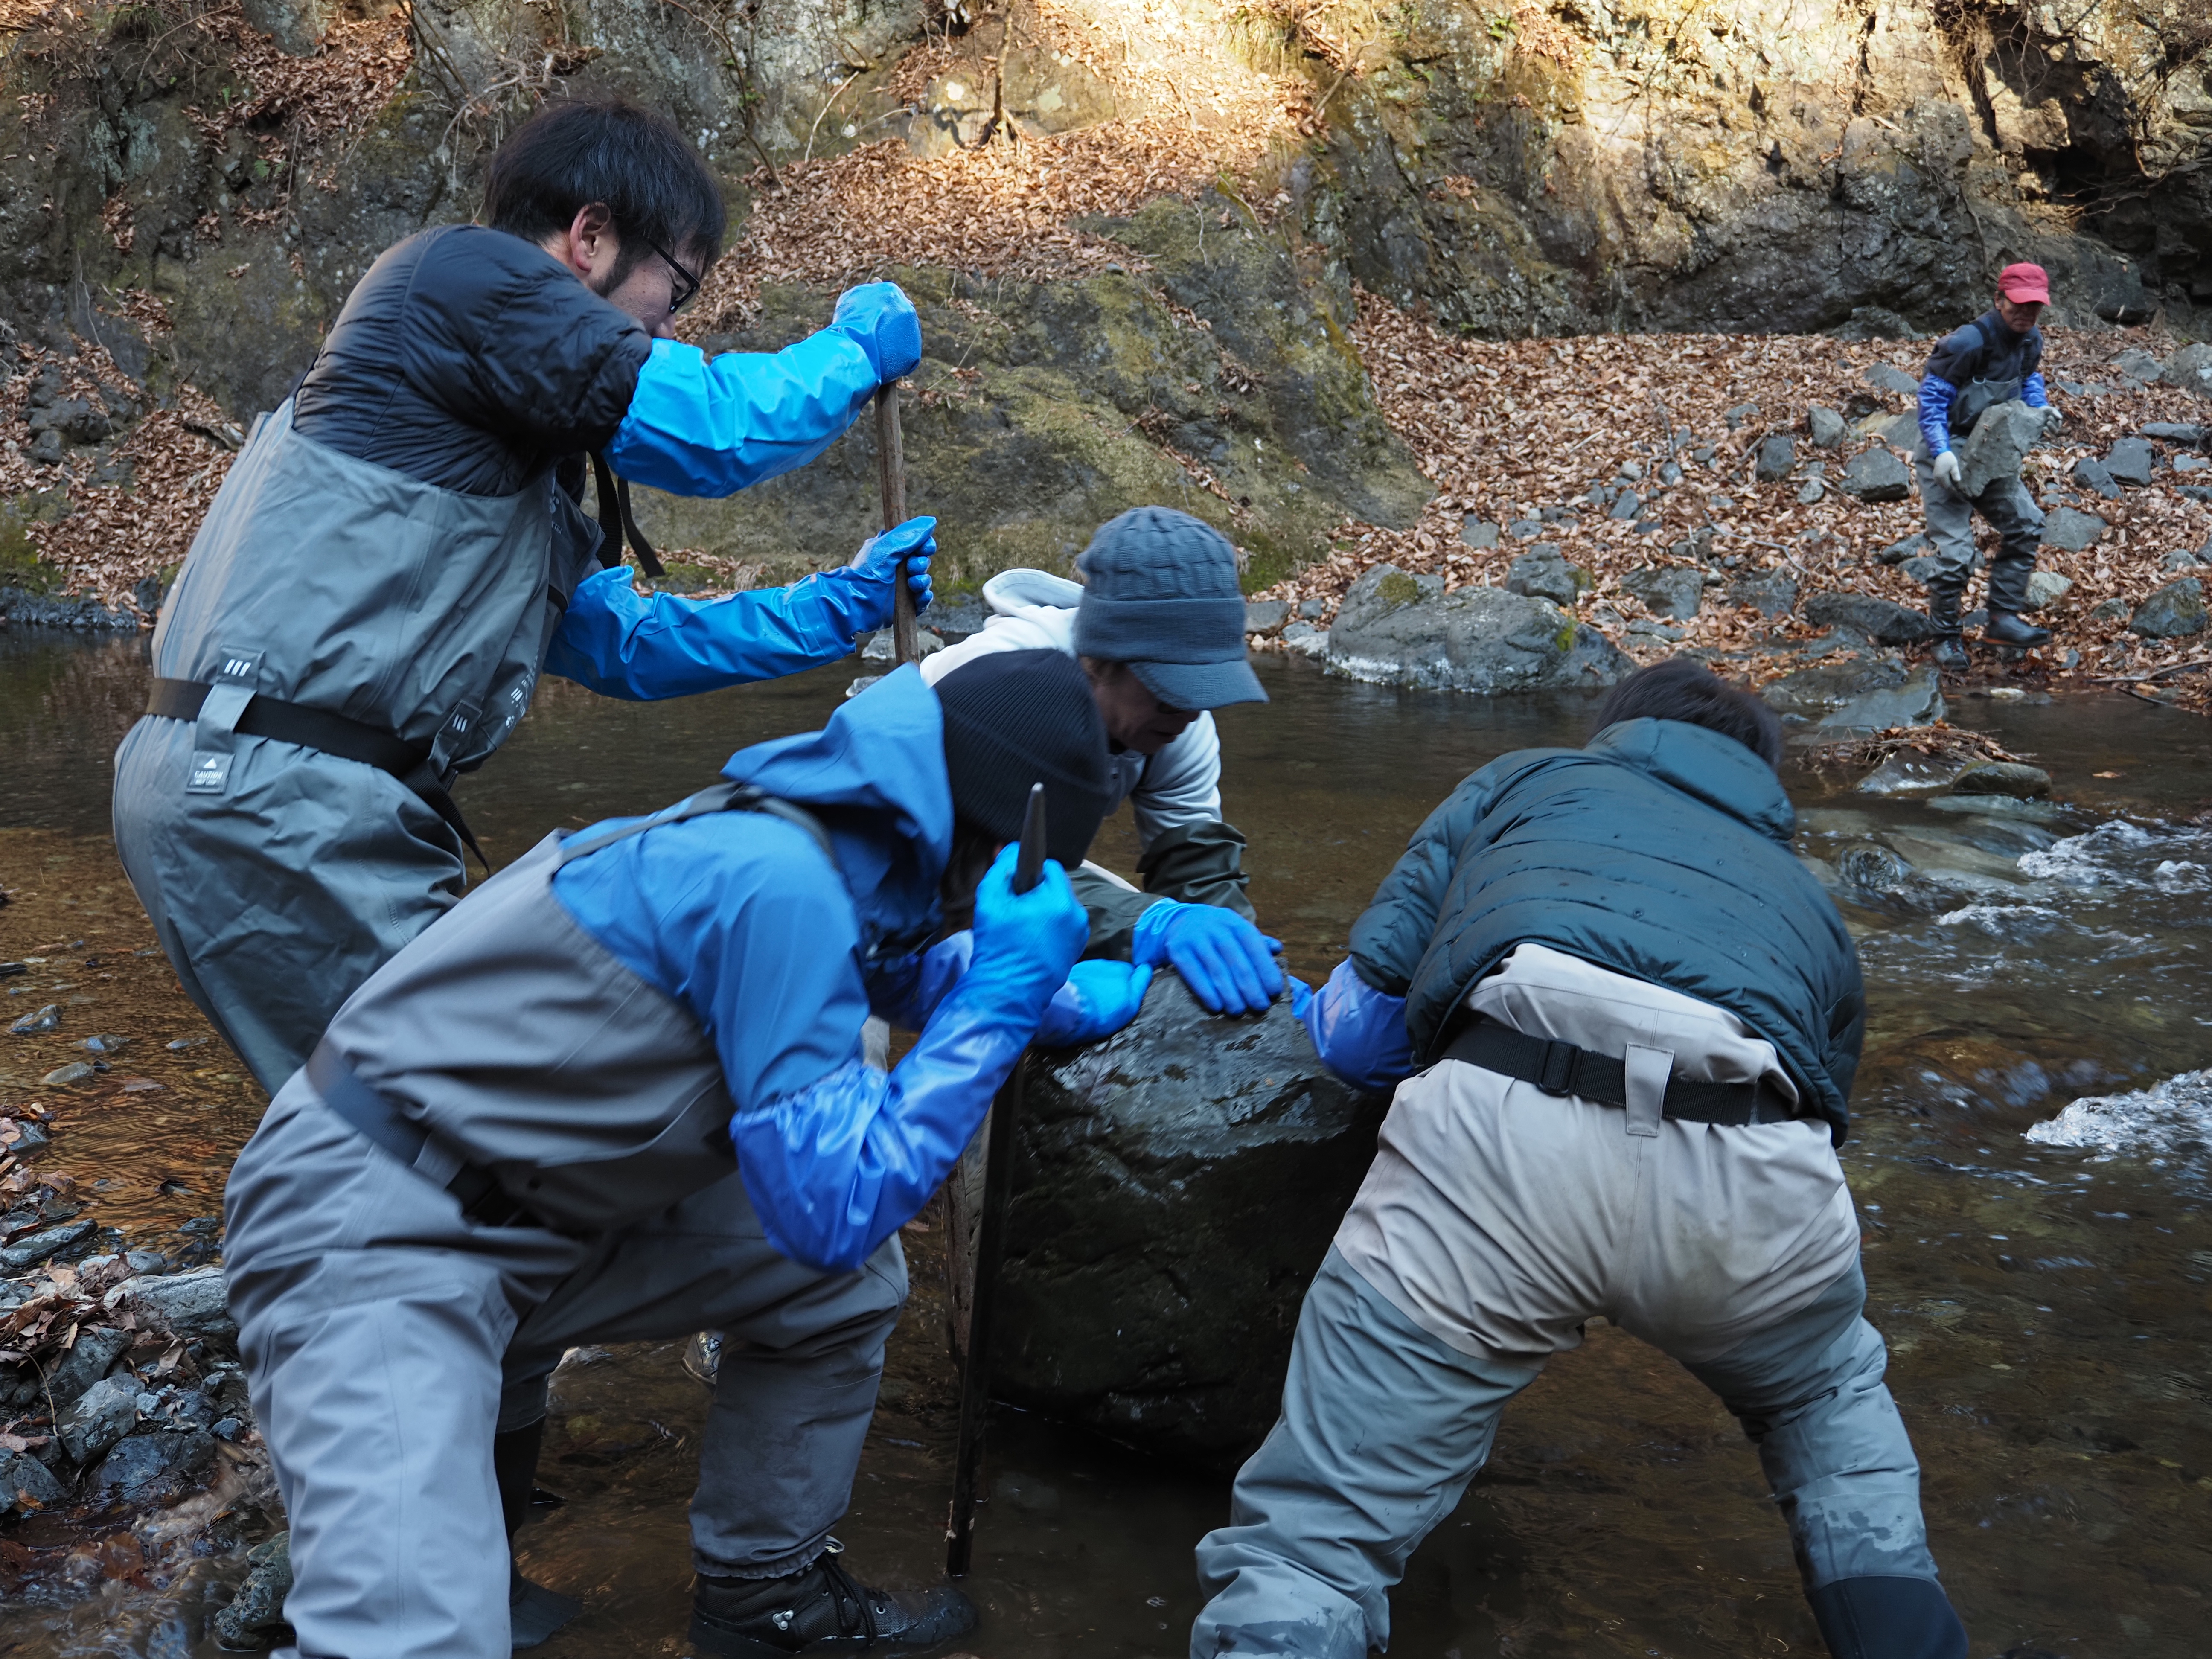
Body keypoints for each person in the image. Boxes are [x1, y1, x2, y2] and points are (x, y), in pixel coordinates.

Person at [223, 650, 1114, 1659]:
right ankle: (416, 1564)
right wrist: (1000, 994)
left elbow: (893, 971)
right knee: (408, 1641)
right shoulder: (775, 881)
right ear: (994, 841)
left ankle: (763, 1604)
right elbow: (829, 1202)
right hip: (370, 1228)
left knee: (837, 1286)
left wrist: (1081, 983)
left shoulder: (825, 844)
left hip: (521, 1217)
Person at [113, 96, 935, 1093]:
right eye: (673, 287)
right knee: (460, 1128)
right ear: (588, 236)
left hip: (254, 788)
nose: (671, 325)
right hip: (278, 797)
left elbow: (617, 641)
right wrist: (851, 353)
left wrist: (832, 608)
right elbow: (720, 433)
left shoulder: (483, 415)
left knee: (394, 1123)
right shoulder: (466, 281)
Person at [1190, 658, 1969, 1659]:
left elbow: (1357, 1038)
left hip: (1504, 1145)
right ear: (1759, 778)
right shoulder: (1807, 900)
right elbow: (1824, 1120)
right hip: (1747, 1171)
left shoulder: (1524, 780)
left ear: (1619, 729)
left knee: (1316, 1543)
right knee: (1824, 1403)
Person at [921, 506, 1285, 1019]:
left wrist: (1246, 959)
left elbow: (1196, 872)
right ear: (1104, 661)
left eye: (1206, 688)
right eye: (1171, 691)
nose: (1190, 711)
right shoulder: (1007, 685)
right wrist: (1152, 921)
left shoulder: (1182, 725)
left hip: (1010, 858)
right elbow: (997, 877)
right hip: (904, 858)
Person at [1915, 262, 2062, 670]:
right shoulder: (1966, 343)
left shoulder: (2031, 341)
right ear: (1998, 300)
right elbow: (1932, 399)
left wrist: (2040, 409)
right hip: (1945, 448)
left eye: (2035, 306)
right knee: (1958, 553)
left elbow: (2029, 378)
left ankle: (2002, 620)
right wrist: (1942, 451)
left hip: (1992, 447)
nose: (2026, 313)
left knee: (2027, 522)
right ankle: (1945, 635)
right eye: (2018, 303)